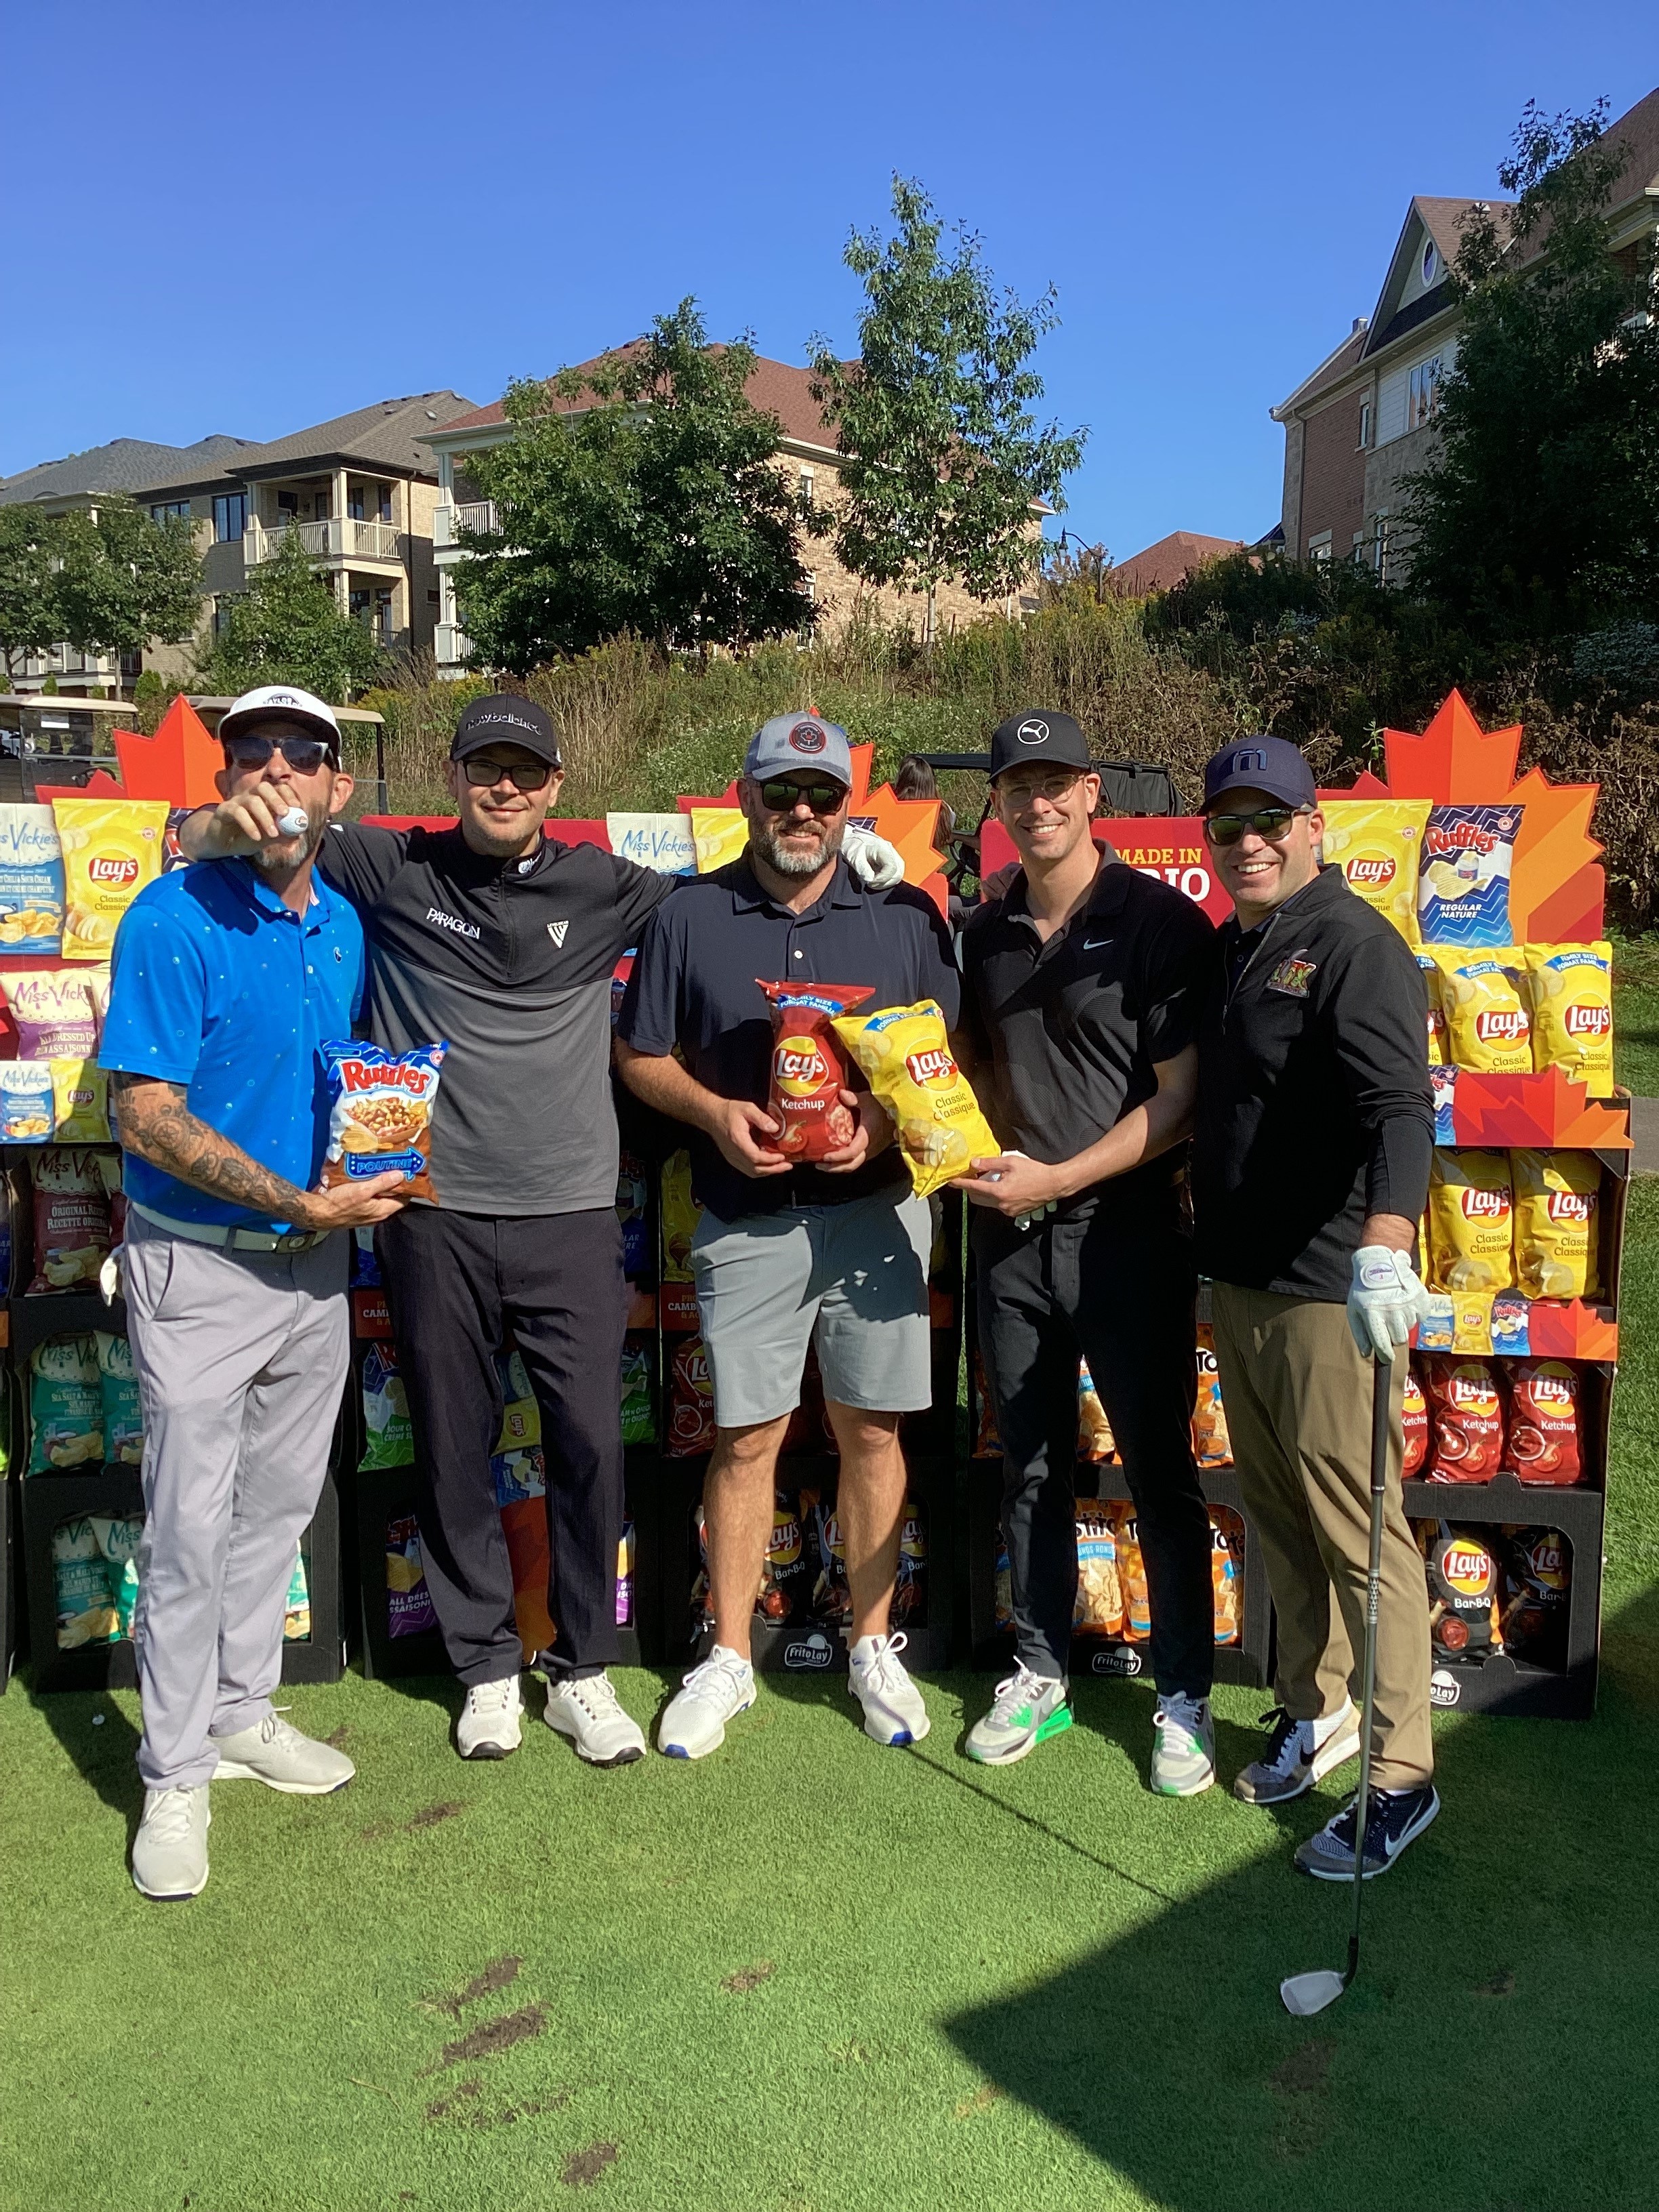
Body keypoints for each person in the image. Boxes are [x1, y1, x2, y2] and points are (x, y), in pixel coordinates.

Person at [180, 695, 903, 1769]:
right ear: (454, 776)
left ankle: (581, 1669)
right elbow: (232, 834)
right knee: (453, 1447)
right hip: (429, 1214)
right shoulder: (394, 865)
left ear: (557, 786)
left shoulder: (607, 884)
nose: (504, 786)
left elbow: (739, 896)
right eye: (485, 767)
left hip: (571, 1214)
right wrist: (211, 824)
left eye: (525, 770)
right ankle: (484, 1670)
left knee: (588, 1449)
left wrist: (867, 856)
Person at [102, 683, 409, 1901]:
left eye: (304, 753)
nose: (278, 769)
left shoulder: (340, 924)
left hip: (314, 1271)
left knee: (275, 1514)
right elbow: (144, 1114)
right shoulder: (171, 915)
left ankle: (239, 1711)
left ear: (339, 784)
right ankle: (175, 1770)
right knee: (185, 1529)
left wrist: (357, 1175)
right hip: (201, 1265)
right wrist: (296, 1201)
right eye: (253, 753)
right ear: (225, 779)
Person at [615, 712, 958, 1759]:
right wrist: (714, 1114)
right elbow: (640, 1055)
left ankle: (871, 1642)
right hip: (746, 1220)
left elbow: (941, 1064)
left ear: (846, 806)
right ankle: (729, 1655)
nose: (801, 812)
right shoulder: (690, 913)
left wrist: (881, 1126)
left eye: (821, 795)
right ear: (746, 797)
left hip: (876, 1214)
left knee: (873, 1433)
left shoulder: (904, 916)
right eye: (781, 792)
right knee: (748, 1437)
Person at [953, 710, 1220, 1790]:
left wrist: (1057, 1177)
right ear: (998, 803)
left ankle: (1184, 1693)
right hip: (1008, 1239)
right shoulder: (982, 932)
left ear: (1093, 791)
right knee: (1028, 1464)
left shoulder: (1160, 923)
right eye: (1019, 787)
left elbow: (1181, 1101)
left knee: (1158, 1468)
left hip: (1129, 1234)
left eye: (1057, 783)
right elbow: (968, 1063)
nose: (1039, 804)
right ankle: (1040, 1671)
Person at [1190, 734, 1439, 1877]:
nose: (1248, 841)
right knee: (1280, 1517)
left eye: (1269, 821)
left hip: (1328, 1289)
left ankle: (1402, 1776)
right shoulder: (1237, 946)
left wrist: (1387, 1244)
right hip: (1243, 1284)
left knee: (1359, 1531)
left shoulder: (1353, 944)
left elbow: (1399, 1112)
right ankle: (1315, 1704)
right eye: (1229, 825)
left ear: (1312, 828)